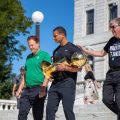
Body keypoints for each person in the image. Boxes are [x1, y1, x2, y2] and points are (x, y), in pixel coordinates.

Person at [77, 18, 120, 119]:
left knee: (119, 101)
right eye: (110, 27)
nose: (111, 29)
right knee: (106, 100)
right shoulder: (111, 41)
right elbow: (101, 53)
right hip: (110, 74)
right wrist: (85, 50)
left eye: (113, 27)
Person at [46, 26, 82, 120]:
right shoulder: (55, 51)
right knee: (49, 109)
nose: (53, 38)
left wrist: (65, 67)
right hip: (55, 84)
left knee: (67, 110)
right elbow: (55, 67)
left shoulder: (73, 48)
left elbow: (79, 68)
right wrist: (50, 74)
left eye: (55, 36)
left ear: (62, 35)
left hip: (68, 83)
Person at [16, 36, 51, 120]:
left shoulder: (44, 55)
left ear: (38, 44)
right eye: (29, 45)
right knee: (21, 113)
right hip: (27, 90)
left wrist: (43, 88)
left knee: (37, 116)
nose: (30, 47)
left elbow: (48, 73)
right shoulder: (28, 57)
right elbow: (25, 75)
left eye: (32, 45)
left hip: (38, 89)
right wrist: (19, 89)